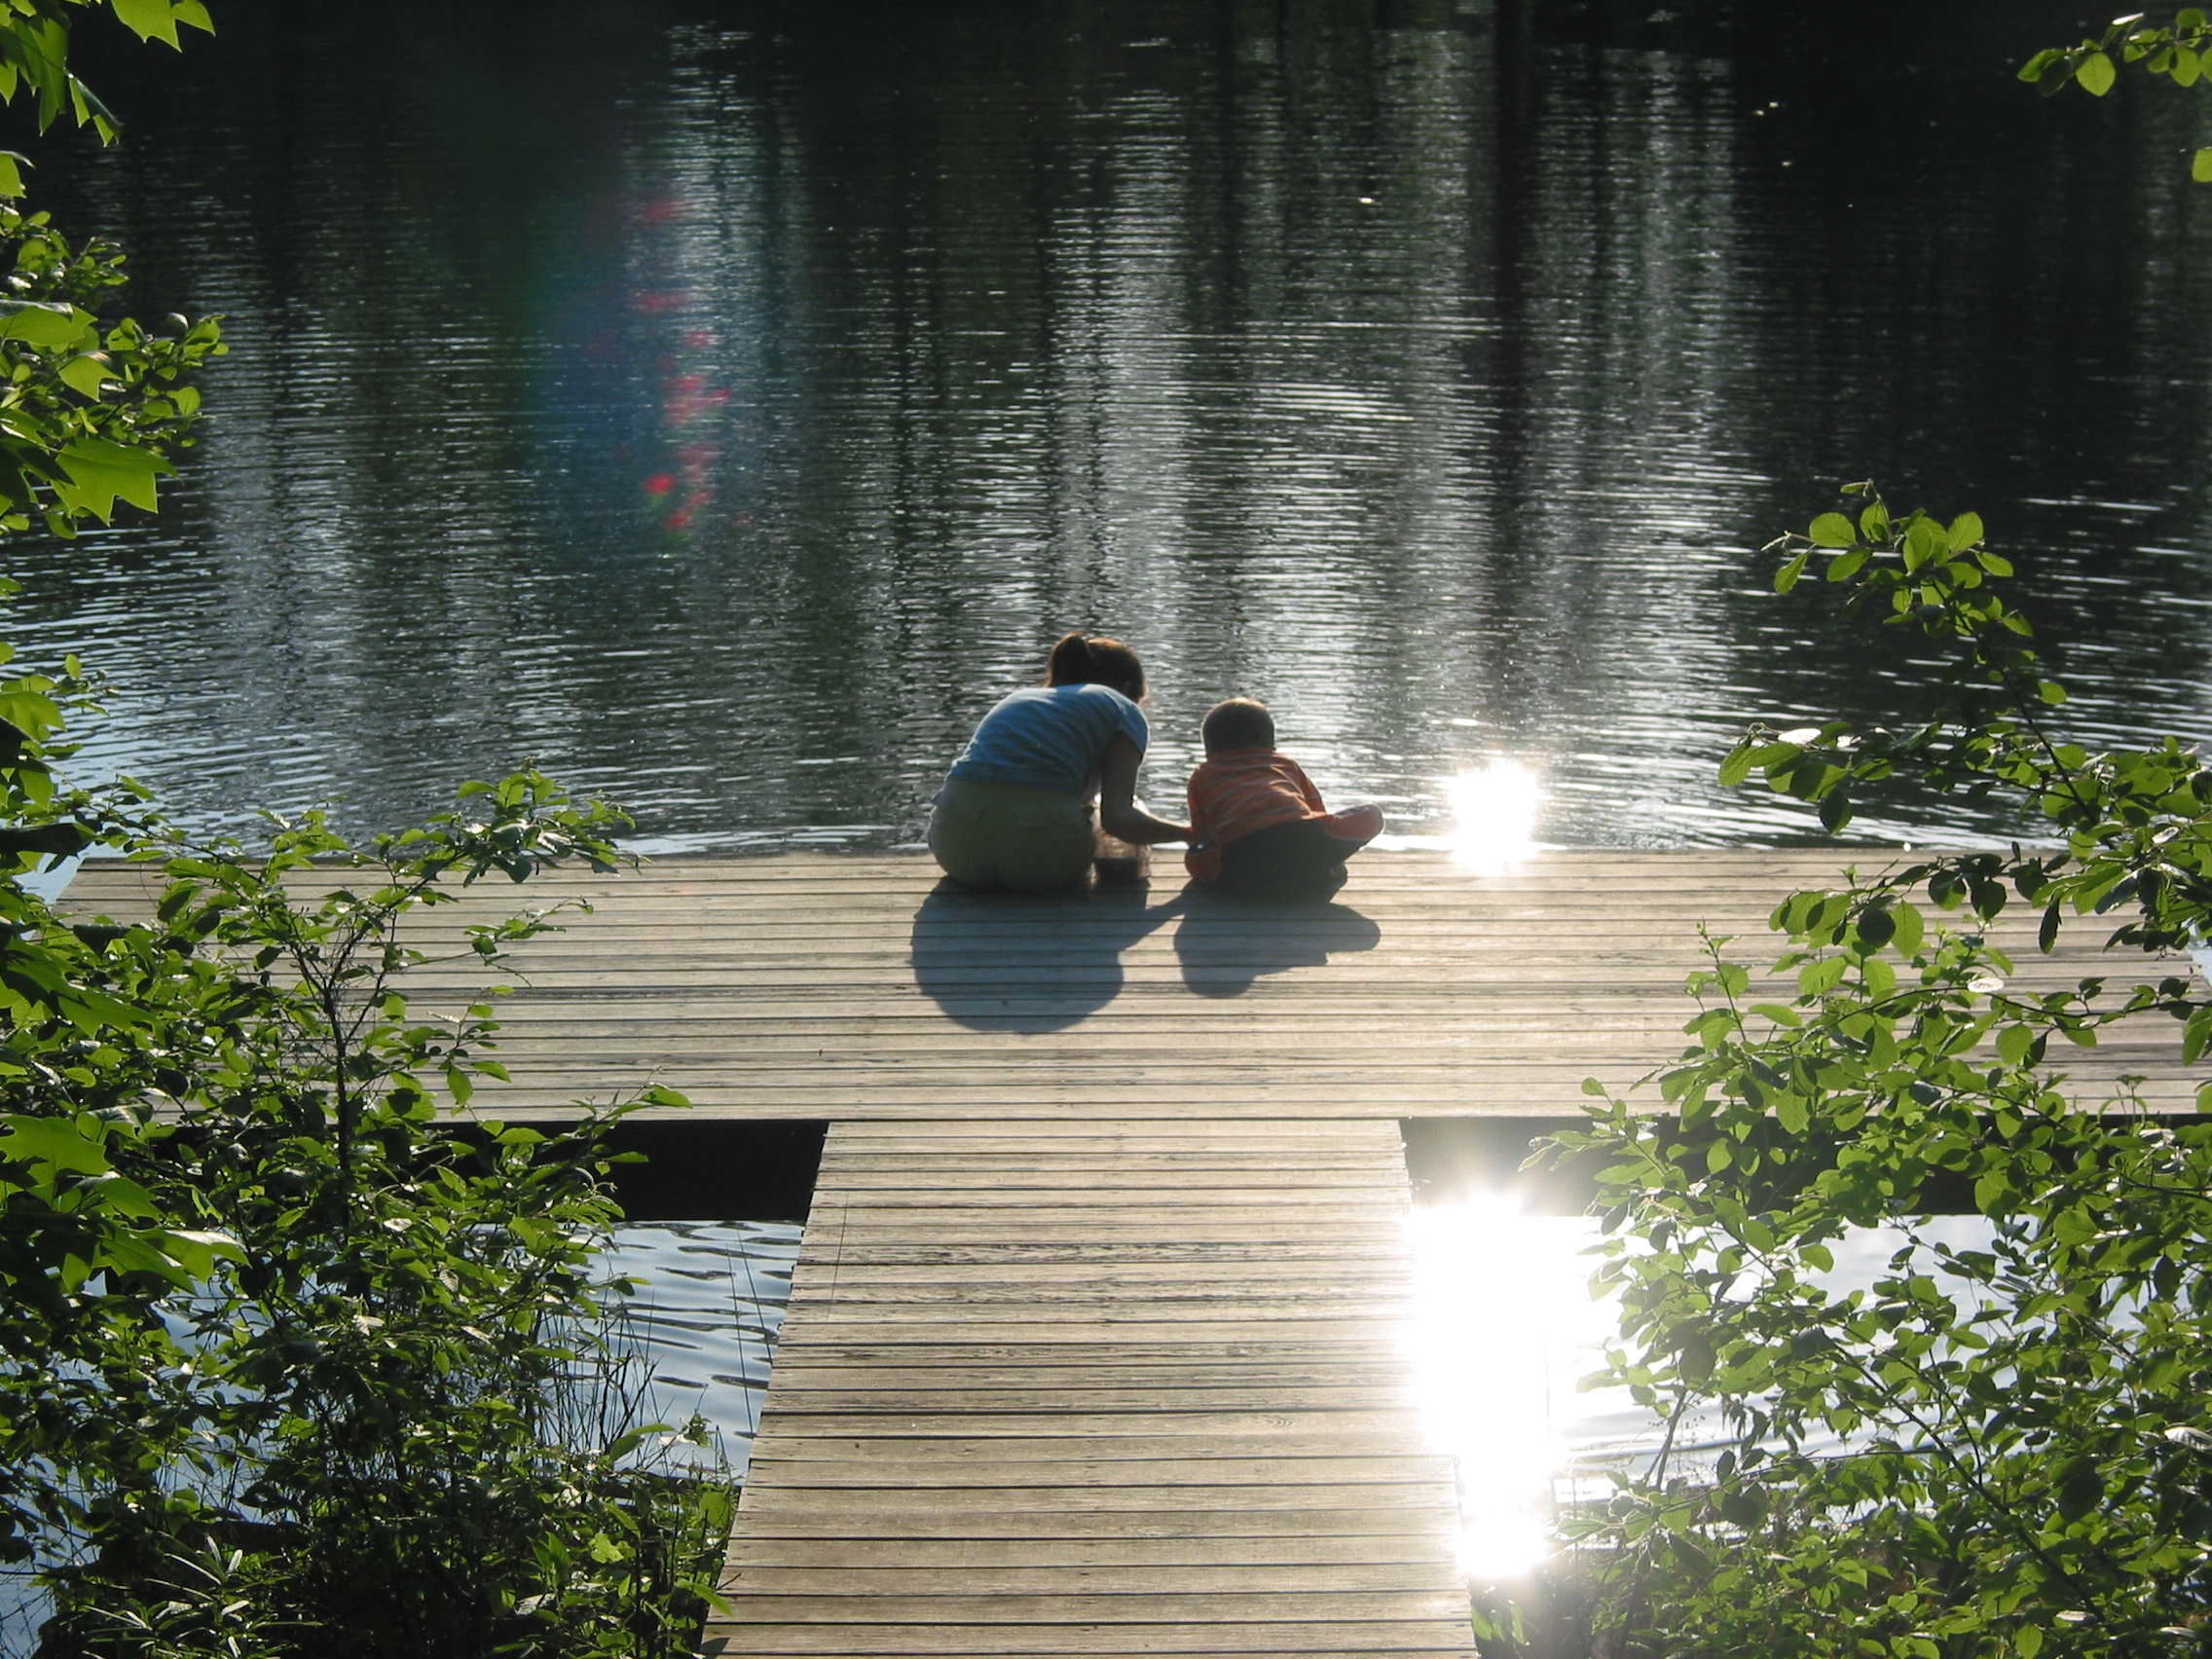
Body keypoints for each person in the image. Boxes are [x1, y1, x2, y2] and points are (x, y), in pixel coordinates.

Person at [928, 633, 1193, 892]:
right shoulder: (1123, 707)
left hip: (956, 853)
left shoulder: (1019, 699)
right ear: (1127, 688)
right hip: (1046, 865)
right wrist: (1190, 834)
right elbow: (1118, 819)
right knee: (1111, 809)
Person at [1184, 697, 1382, 898]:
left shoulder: (1202, 775)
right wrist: (1331, 852)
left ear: (1209, 747)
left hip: (1241, 870)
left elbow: (1202, 832)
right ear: (1271, 742)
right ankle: (1327, 865)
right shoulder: (1284, 764)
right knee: (1370, 813)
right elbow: (1316, 809)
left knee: (1196, 852)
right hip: (1305, 851)